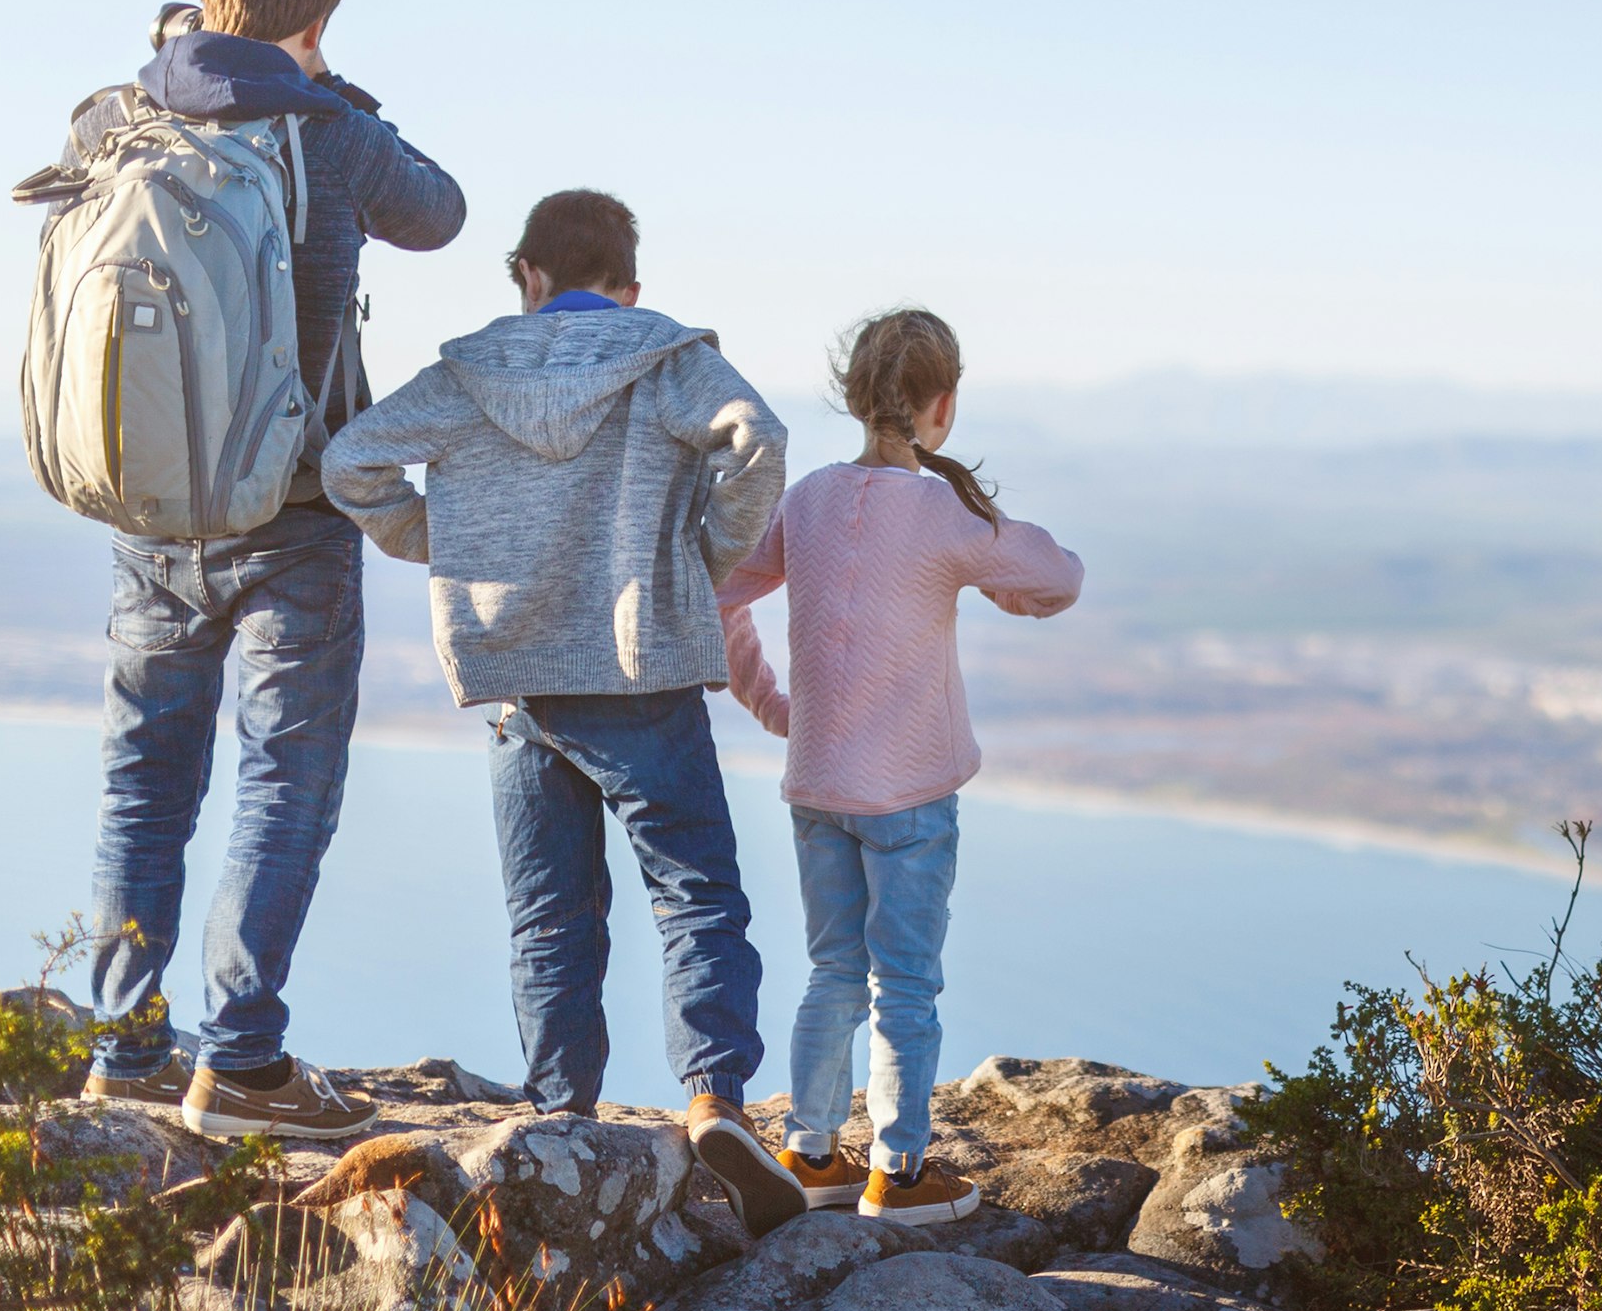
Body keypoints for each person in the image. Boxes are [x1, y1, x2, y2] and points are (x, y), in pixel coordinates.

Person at [323, 190, 809, 1231]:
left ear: (526, 276)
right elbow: (757, 437)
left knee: (551, 913)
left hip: (518, 678)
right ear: (629, 288)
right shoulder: (667, 357)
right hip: (643, 671)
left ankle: (558, 1117)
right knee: (694, 891)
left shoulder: (469, 374)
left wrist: (448, 545)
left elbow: (350, 458)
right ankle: (716, 1097)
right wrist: (701, 557)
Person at [85, 0, 464, 1144]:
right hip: (293, 509)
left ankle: (126, 1049)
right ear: (317, 19)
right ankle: (241, 1063)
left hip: (154, 511)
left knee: (145, 784)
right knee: (280, 783)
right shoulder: (332, 130)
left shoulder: (120, 115)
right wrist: (328, 89)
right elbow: (442, 211)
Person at [716, 309, 1083, 1226]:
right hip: (910, 795)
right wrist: (987, 562)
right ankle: (901, 1172)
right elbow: (1060, 577)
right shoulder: (944, 512)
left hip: (817, 783)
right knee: (905, 985)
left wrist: (776, 709)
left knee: (831, 972)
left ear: (853, 398)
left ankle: (808, 1154)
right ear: (942, 405)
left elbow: (723, 599)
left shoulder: (806, 500)